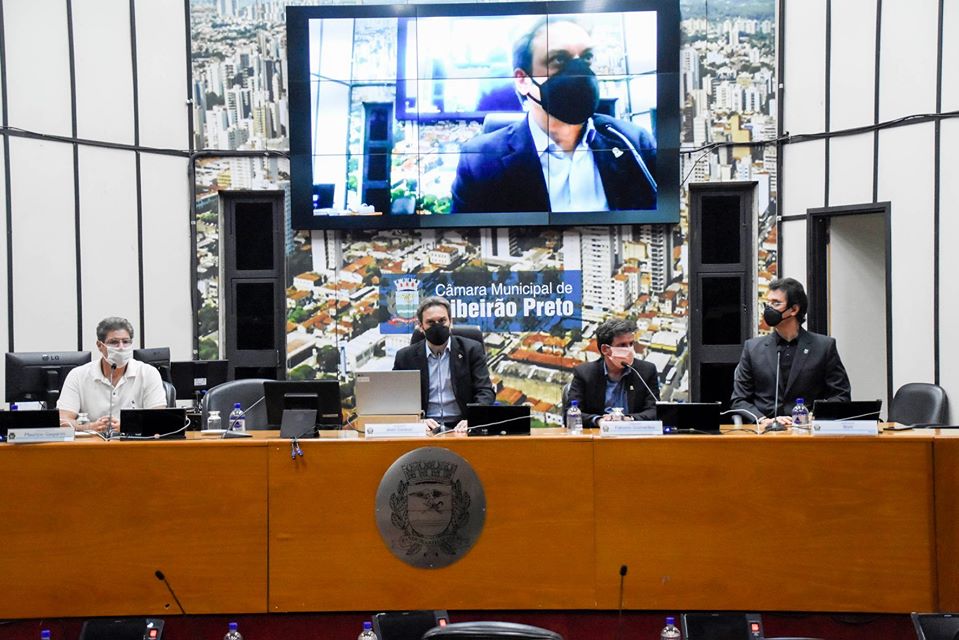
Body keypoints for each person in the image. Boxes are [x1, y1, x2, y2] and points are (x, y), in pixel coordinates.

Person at [450, 18, 657, 214]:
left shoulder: (634, 144)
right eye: (559, 60)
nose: (579, 71)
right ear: (523, 80)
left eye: (586, 58)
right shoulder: (480, 163)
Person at [730, 278, 852, 429]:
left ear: (794, 309)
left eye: (776, 303)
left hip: (807, 431)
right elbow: (739, 400)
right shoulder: (753, 348)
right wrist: (763, 420)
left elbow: (841, 395)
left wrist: (813, 416)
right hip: (766, 431)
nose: (769, 309)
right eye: (767, 303)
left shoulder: (824, 346)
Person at [392, 297, 495, 433]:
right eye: (430, 322)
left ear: (450, 322)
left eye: (442, 321)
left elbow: (485, 391)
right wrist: (416, 421)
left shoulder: (471, 350)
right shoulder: (405, 357)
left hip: (463, 426)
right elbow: (397, 397)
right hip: (425, 428)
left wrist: (473, 418)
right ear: (421, 326)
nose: (437, 326)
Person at [57, 316, 166, 432]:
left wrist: (128, 426)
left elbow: (159, 420)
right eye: (114, 342)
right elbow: (61, 420)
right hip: (92, 446)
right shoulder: (78, 375)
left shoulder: (148, 373)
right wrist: (89, 427)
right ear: (100, 346)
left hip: (135, 446)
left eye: (126, 342)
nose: (121, 348)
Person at [567, 318, 659, 427]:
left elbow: (655, 411)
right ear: (605, 349)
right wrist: (599, 421)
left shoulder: (646, 371)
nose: (629, 350)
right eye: (622, 345)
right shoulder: (585, 373)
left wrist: (629, 419)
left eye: (631, 344)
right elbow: (570, 413)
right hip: (598, 438)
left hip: (634, 437)